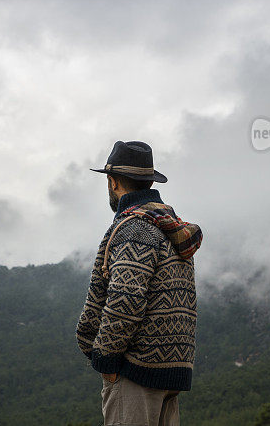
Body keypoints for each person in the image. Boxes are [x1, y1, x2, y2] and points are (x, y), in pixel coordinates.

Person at [76, 140, 203, 426]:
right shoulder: (170, 227)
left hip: (136, 372)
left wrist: (106, 361)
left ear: (113, 182)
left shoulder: (135, 229)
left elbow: (125, 301)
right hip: (171, 370)